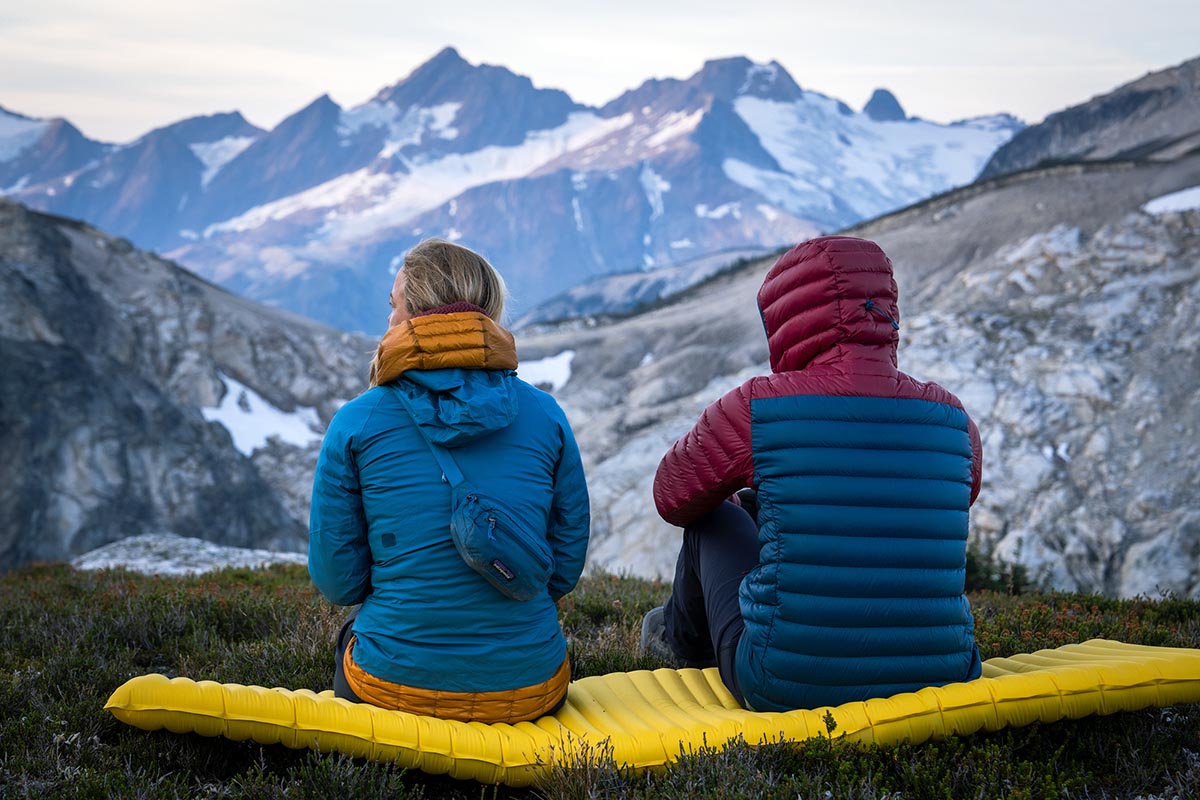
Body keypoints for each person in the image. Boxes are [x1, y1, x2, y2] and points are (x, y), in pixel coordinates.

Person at [641, 235, 983, 712]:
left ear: (787, 318)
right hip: (944, 672)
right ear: (887, 309)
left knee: (712, 516)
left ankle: (677, 646)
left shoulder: (758, 405)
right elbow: (954, 501)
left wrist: (747, 491)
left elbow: (671, 496)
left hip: (786, 680)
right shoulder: (953, 417)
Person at [308, 238, 590, 723]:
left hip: (390, 685)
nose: (389, 320)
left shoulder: (356, 421)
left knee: (357, 633)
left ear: (412, 317)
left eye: (393, 307)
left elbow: (339, 583)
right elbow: (563, 570)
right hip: (531, 688)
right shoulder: (546, 415)